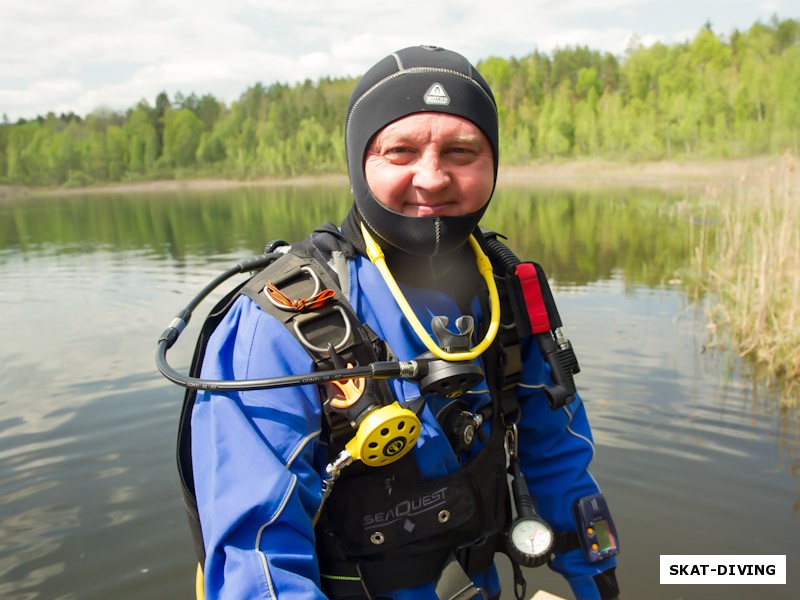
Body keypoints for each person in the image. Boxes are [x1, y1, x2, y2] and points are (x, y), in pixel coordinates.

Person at [186, 45, 620, 600]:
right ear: (359, 163)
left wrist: (597, 583)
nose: (433, 177)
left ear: (494, 162)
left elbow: (558, 460)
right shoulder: (278, 321)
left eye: (462, 150)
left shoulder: (509, 291)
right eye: (401, 151)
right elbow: (257, 556)